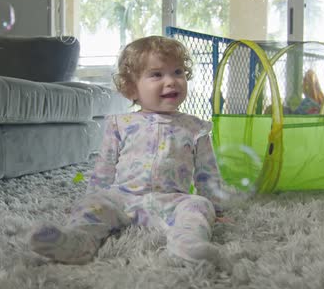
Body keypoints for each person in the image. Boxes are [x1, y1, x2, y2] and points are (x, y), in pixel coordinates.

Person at [28, 36, 229, 265]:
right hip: (122, 198)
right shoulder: (120, 123)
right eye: (157, 74)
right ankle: (77, 242)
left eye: (178, 72)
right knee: (93, 205)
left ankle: (187, 246)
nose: (172, 81)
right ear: (132, 88)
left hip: (171, 200)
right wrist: (93, 197)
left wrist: (216, 208)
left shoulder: (196, 127)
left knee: (198, 206)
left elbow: (207, 172)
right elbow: (104, 167)